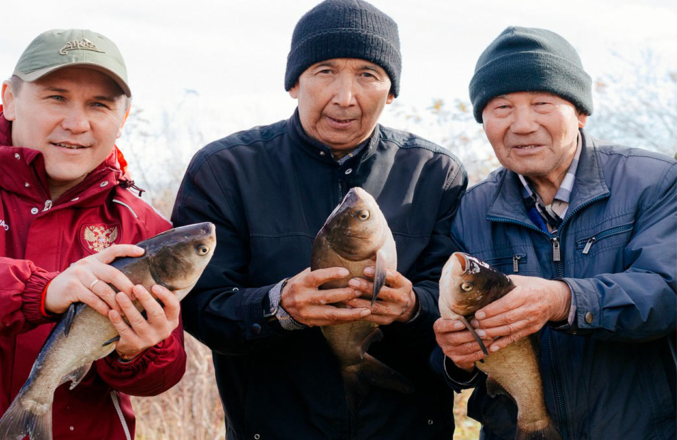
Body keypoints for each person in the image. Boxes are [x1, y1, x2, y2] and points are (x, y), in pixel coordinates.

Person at [172, 1, 467, 438]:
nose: (345, 97)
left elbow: (457, 304)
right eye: (324, 70)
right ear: (294, 83)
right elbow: (197, 307)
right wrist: (278, 307)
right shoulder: (225, 169)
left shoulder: (434, 173)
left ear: (390, 91)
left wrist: (412, 308)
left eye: (368, 74)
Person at [0, 29, 186, 439]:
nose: (76, 123)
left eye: (98, 105)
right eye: (56, 97)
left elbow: (159, 378)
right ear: (9, 100)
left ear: (121, 119)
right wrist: (40, 291)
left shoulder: (144, 225)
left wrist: (140, 350)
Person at [434, 26, 676, 439]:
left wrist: (564, 300)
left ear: (580, 112)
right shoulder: (470, 210)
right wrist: (456, 360)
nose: (522, 125)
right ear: (484, 120)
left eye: (542, 103)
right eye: (502, 108)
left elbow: (666, 293)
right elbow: (444, 334)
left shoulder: (655, 180)